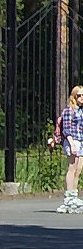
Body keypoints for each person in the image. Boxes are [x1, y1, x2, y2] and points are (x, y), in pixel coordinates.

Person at [47, 86, 83, 214]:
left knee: (78, 170)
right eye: (79, 95)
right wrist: (72, 144)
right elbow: (66, 129)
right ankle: (69, 196)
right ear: (73, 96)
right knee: (72, 168)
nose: (81, 97)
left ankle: (74, 194)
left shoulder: (80, 111)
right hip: (72, 141)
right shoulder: (69, 110)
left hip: (81, 140)